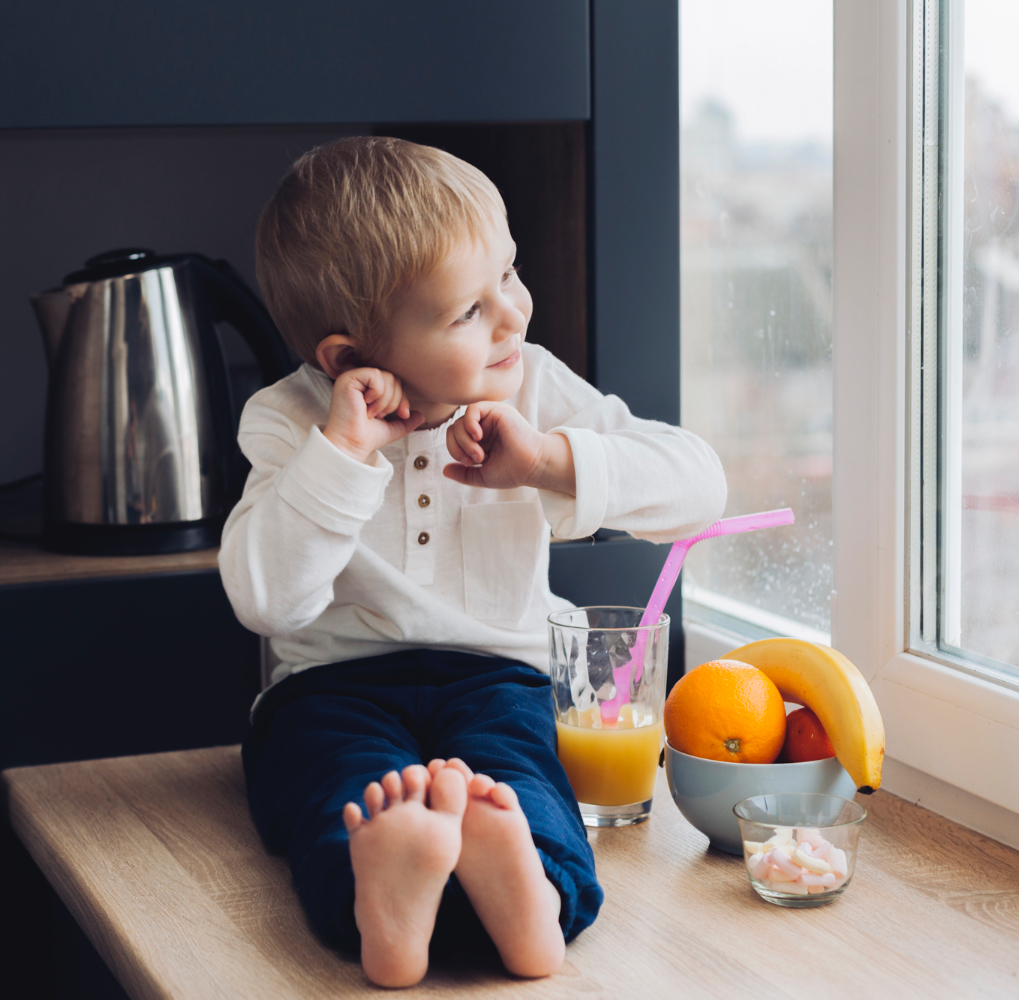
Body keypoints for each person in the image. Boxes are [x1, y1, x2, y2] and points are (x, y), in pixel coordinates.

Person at [220, 136, 726, 987]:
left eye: (511, 274)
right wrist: (342, 453)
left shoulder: (526, 385)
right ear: (348, 360)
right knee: (337, 789)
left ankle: (530, 896)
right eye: (468, 311)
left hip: (499, 679)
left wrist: (547, 463)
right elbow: (267, 600)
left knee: (519, 780)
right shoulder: (287, 422)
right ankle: (385, 886)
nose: (515, 316)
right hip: (330, 688)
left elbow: (700, 484)